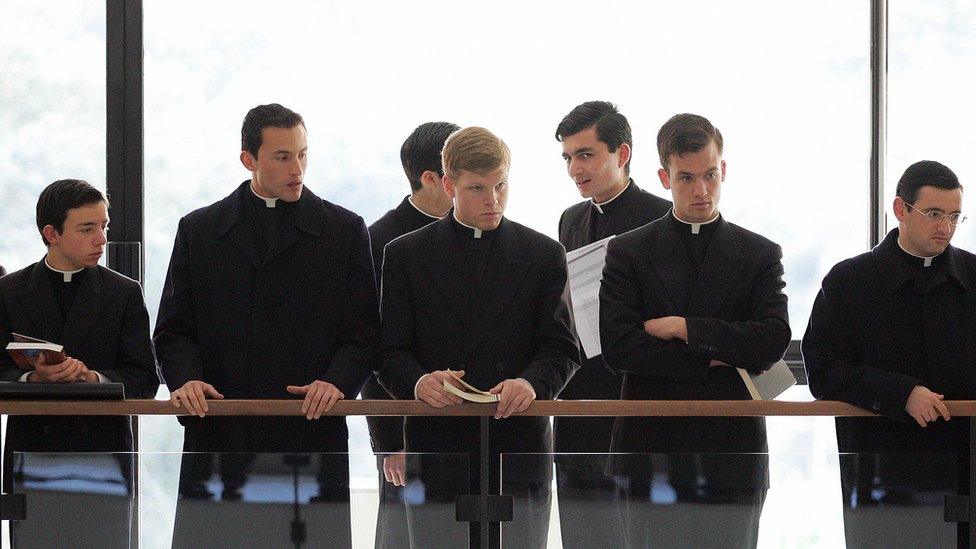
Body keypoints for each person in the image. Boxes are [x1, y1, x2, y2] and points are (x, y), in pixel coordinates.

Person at [153, 104, 377, 546]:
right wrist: (186, 380)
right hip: (220, 424)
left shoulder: (345, 230)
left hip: (309, 425)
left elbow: (365, 333)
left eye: (303, 154)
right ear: (248, 160)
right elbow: (173, 330)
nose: (297, 169)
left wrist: (337, 382)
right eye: (282, 157)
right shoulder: (199, 229)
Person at [378, 126, 580, 548]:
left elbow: (562, 348)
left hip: (518, 445)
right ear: (448, 185)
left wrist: (530, 383)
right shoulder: (403, 254)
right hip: (437, 445)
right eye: (477, 188)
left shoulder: (544, 254)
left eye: (500, 185)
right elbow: (389, 351)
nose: (492, 200)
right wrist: (419, 382)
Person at [599, 114, 790, 548]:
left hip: (734, 451)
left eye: (709, 175)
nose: (701, 190)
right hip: (651, 450)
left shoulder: (760, 252)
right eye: (686, 178)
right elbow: (620, 349)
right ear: (665, 176)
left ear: (723, 169)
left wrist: (683, 328)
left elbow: (772, 339)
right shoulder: (628, 251)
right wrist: (718, 356)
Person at [802, 160, 974, 547]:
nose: (945, 228)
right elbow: (822, 371)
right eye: (933, 214)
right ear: (900, 210)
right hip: (881, 470)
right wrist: (902, 394)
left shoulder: (972, 276)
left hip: (965, 465)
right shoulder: (849, 281)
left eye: (954, 216)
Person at [0, 179, 159, 545]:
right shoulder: (9, 292)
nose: (101, 239)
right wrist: (30, 380)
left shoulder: (124, 292)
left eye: (104, 226)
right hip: (32, 455)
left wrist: (94, 377)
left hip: (104, 456)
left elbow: (145, 379)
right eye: (87, 229)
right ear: (51, 233)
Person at [553, 100, 671, 548]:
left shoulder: (664, 216)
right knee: (583, 536)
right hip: (579, 397)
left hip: (634, 397)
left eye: (585, 155)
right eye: (567, 157)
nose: (573, 169)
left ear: (622, 154)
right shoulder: (570, 219)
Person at [365, 120, 458, 549]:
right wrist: (391, 442)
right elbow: (372, 349)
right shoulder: (379, 240)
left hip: (472, 424)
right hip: (407, 430)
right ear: (432, 178)